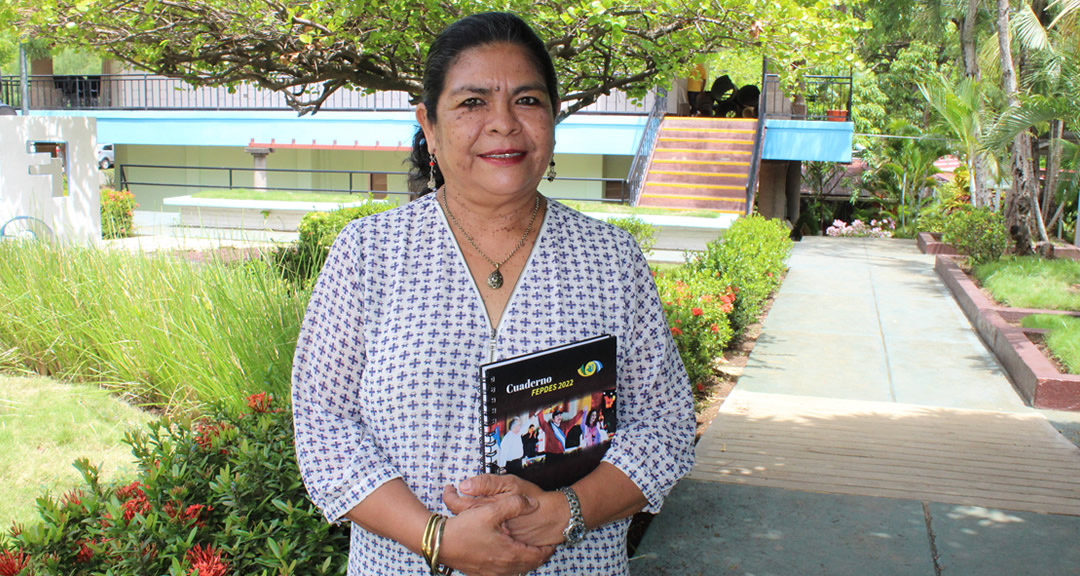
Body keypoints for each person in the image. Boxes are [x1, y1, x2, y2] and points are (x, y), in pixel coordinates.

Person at [291, 12, 695, 576]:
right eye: (472, 102)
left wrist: (566, 512)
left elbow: (666, 424)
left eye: (527, 100)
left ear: (554, 119)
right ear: (429, 126)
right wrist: (437, 538)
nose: (503, 123)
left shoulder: (611, 260)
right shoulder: (369, 254)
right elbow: (323, 425)